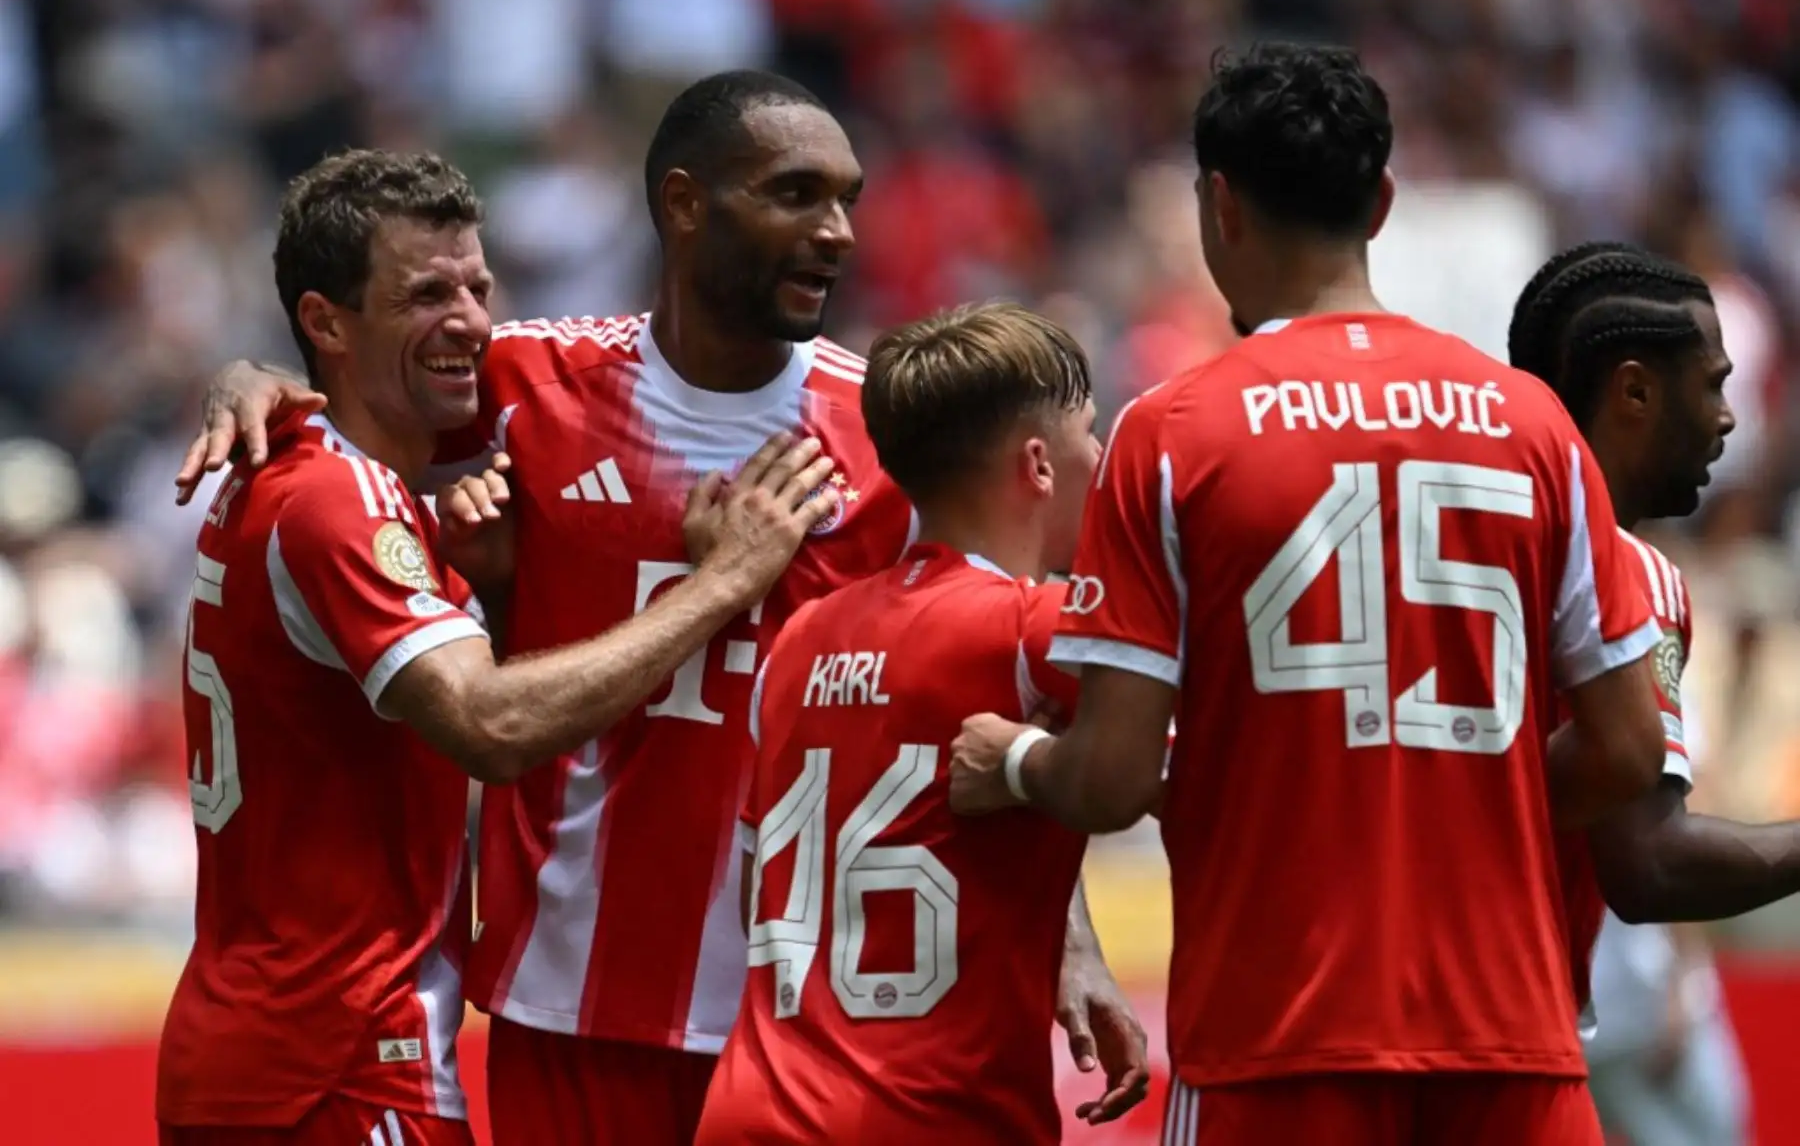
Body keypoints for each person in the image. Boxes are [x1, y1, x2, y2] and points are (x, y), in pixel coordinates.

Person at [172, 72, 1140, 1145]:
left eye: (847, 199)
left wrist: (1070, 939)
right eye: (796, 194)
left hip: (804, 1024)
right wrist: (257, 379)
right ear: (684, 203)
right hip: (571, 1007)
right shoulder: (521, 387)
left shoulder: (884, 436)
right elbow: (353, 414)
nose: (836, 231)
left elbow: (989, 690)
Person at [946, 43, 1673, 1146]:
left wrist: (1012, 759)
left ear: (1218, 205)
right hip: (1510, 1042)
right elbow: (1626, 749)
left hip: (1277, 1042)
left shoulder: (1169, 433)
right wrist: (1458, 804)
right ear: (1382, 202)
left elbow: (1111, 777)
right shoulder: (1534, 425)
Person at [156, 149, 835, 1146]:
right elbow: (489, 723)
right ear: (326, 323)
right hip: (334, 1058)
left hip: (267, 1045)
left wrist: (502, 587)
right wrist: (726, 581)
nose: (471, 322)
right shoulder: (340, 501)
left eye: (477, 287)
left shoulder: (305, 469)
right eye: (426, 294)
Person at [696, 302, 1148, 1145]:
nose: (1100, 460)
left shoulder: (798, 641)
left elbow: (760, 890)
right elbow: (1198, 769)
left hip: (752, 1108)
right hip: (928, 1114)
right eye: (1090, 432)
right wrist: (1027, 762)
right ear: (1038, 464)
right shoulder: (1037, 628)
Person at [1507, 241, 1765, 1145]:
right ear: (1635, 392)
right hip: (1510, 1039)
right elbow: (1648, 864)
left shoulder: (1471, 539)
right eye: (1713, 384)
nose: (1728, 417)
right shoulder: (1628, 574)